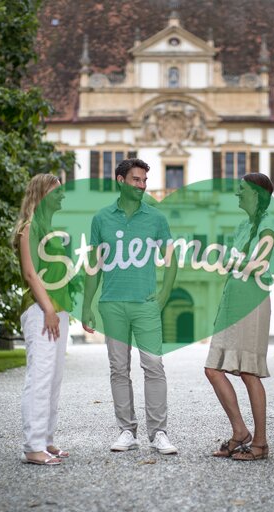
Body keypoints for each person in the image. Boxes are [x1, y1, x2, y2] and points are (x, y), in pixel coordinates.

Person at [81, 158, 180, 455]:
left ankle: (158, 432)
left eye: (144, 181)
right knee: (118, 369)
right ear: (120, 180)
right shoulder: (100, 219)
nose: (142, 185)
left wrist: (163, 295)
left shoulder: (156, 218)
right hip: (111, 304)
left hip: (145, 305)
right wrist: (87, 306)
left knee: (154, 366)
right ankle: (127, 431)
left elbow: (171, 259)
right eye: (136, 180)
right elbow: (93, 266)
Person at [204, 173, 274, 461]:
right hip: (232, 301)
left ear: (257, 195)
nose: (238, 195)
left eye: (242, 191)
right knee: (213, 369)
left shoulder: (269, 224)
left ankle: (260, 443)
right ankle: (240, 432)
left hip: (252, 300)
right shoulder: (243, 226)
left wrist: (233, 261)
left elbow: (257, 264)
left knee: (248, 371)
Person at [11, 173, 71, 466]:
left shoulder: (49, 229)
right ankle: (33, 447)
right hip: (40, 310)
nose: (62, 196)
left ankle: (46, 440)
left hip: (58, 310)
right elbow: (30, 273)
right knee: (40, 377)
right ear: (42, 193)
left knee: (54, 378)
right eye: (57, 191)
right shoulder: (29, 228)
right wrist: (48, 309)